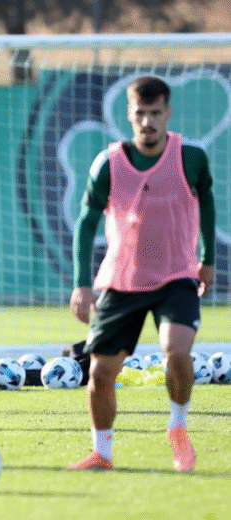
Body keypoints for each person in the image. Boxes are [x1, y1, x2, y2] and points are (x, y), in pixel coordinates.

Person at [68, 76, 215, 472]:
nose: (148, 121)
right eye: (140, 114)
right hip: (123, 280)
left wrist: (207, 259)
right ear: (129, 116)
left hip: (176, 276)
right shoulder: (108, 163)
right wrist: (82, 284)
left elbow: (207, 202)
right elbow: (85, 223)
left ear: (168, 113)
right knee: (100, 373)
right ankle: (102, 453)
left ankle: (178, 427)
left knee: (177, 351)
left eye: (155, 113)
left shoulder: (191, 157)